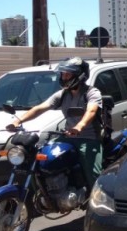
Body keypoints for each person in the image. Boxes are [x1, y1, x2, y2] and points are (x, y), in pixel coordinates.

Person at [6, 57, 103, 191]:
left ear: (79, 75)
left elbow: (91, 111)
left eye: (67, 74)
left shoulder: (92, 92)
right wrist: (18, 121)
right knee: (41, 158)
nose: (64, 77)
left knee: (94, 175)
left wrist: (79, 126)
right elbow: (39, 108)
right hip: (67, 136)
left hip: (88, 139)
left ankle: (97, 203)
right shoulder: (62, 94)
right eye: (63, 74)